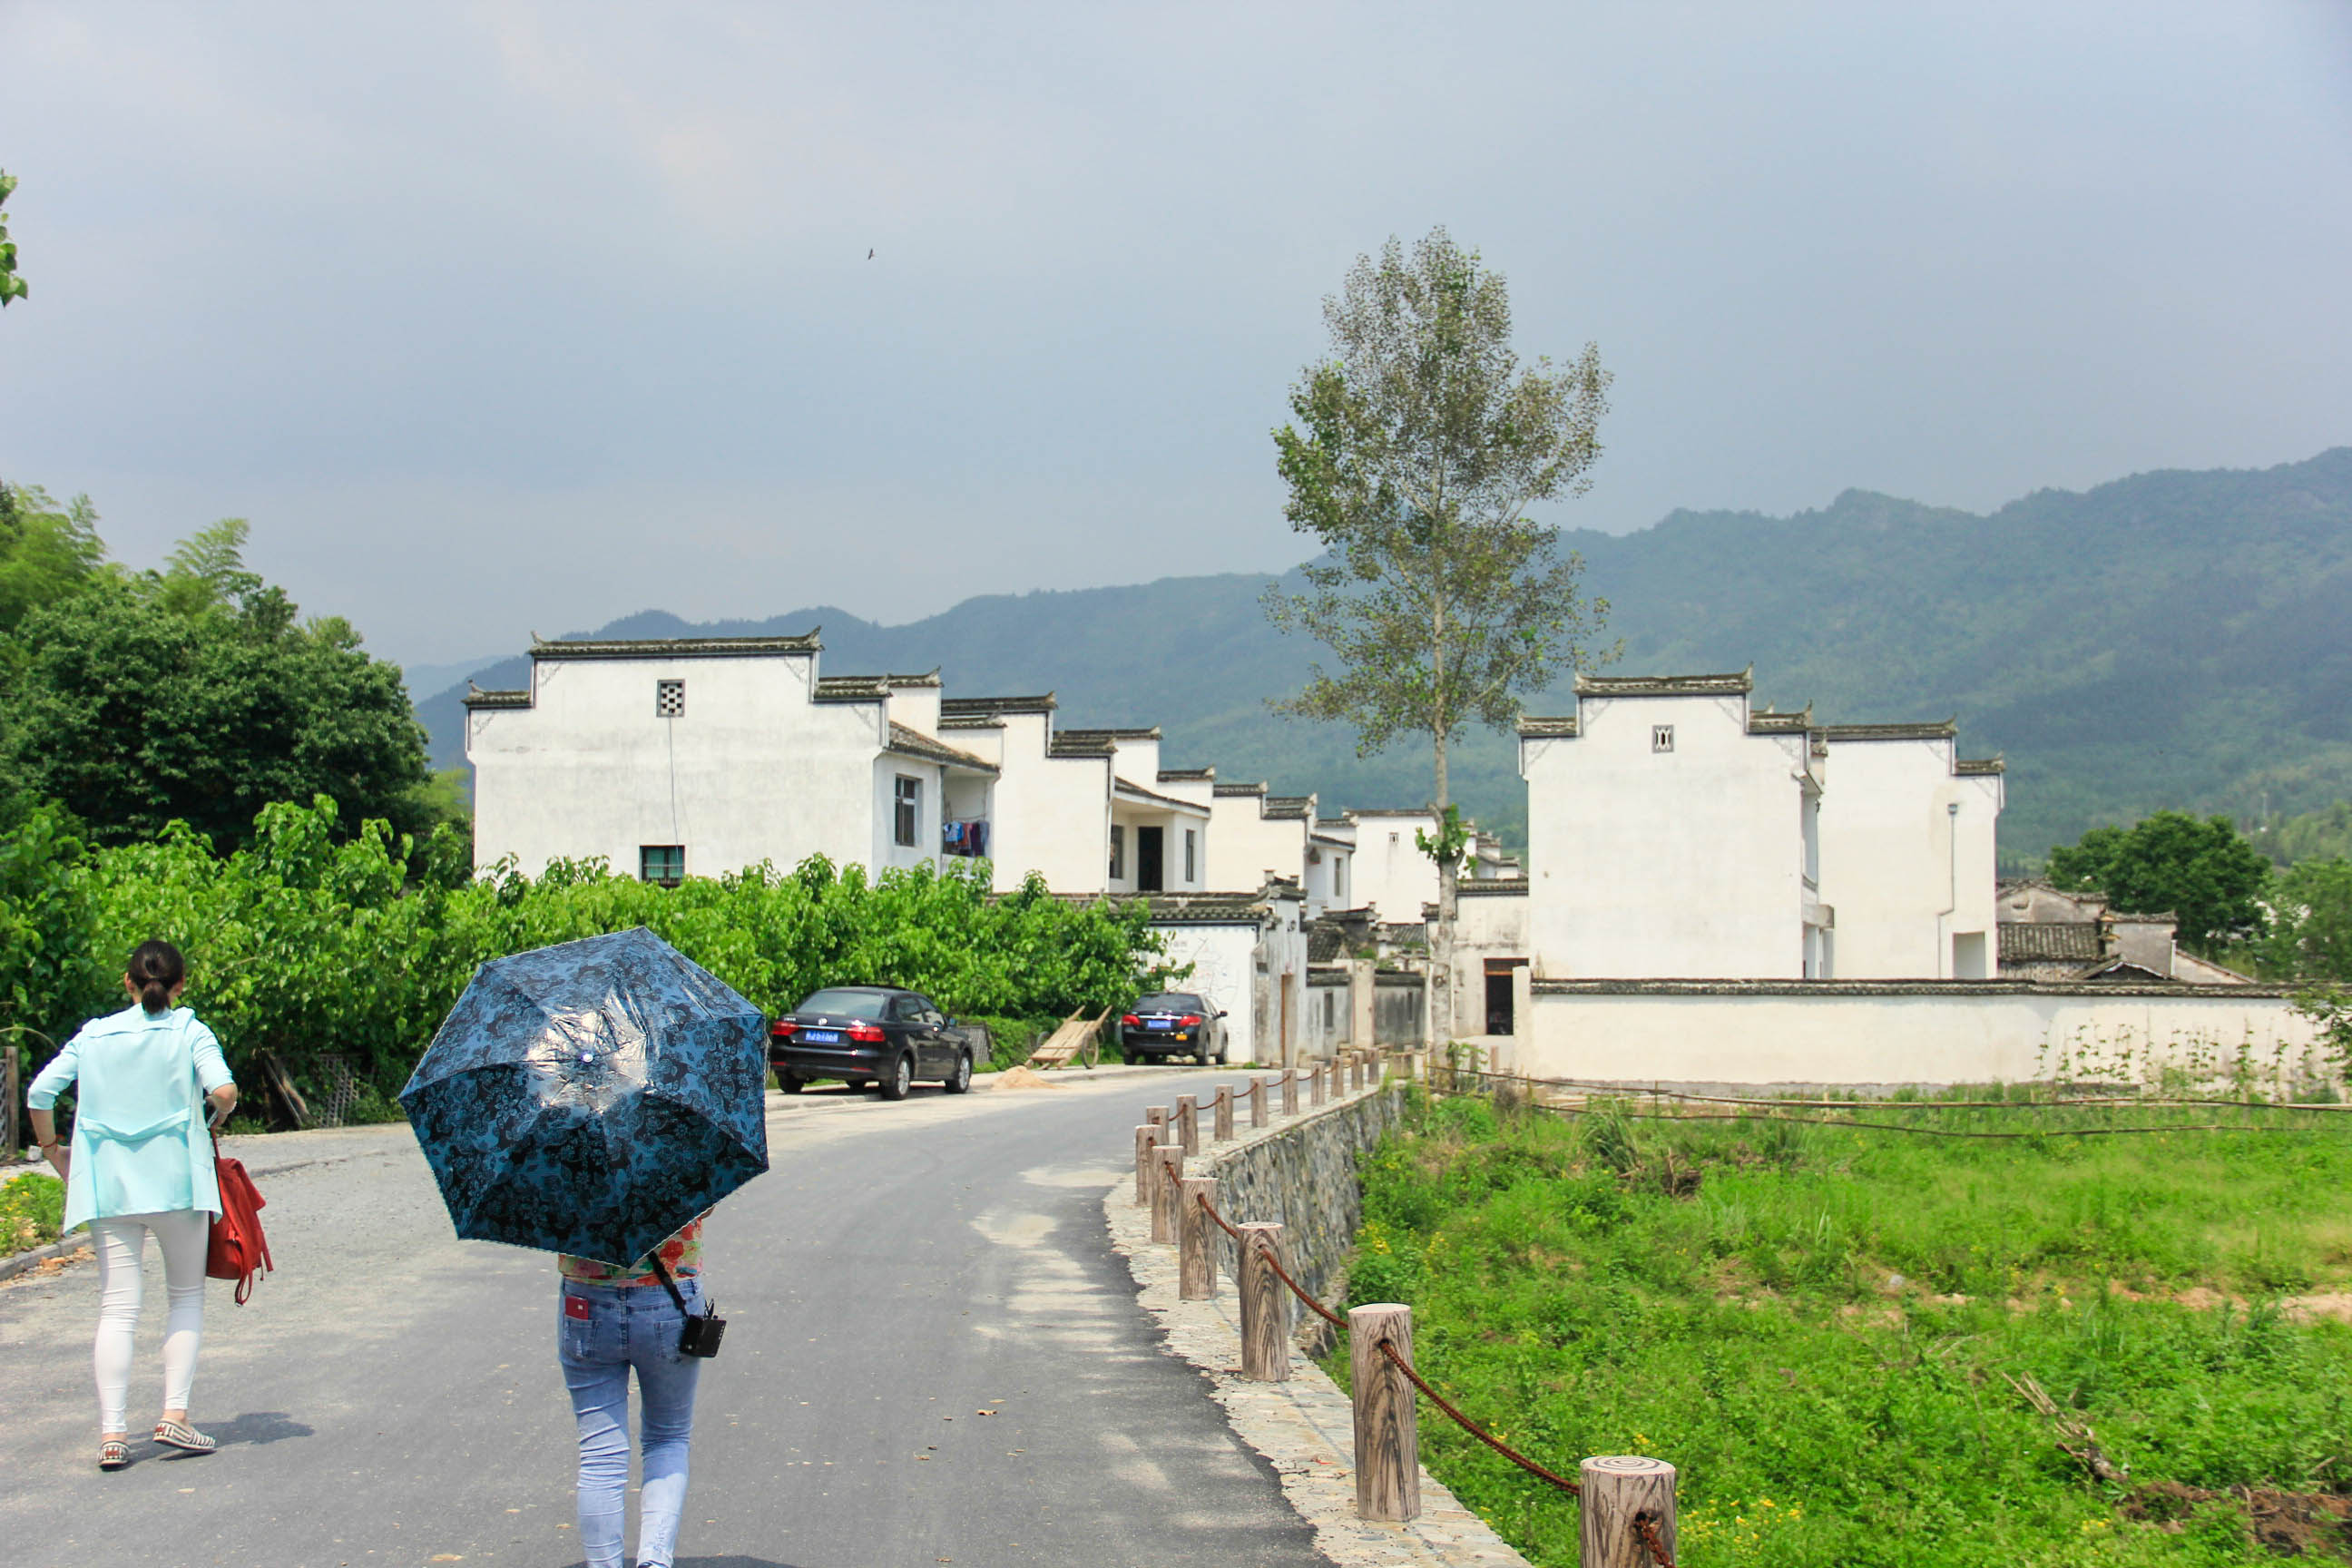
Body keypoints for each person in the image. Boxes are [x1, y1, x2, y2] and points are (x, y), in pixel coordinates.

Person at [25, 939, 240, 1472]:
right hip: (177, 1186)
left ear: (128, 983)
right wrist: (210, 1122)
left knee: (117, 1306)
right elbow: (226, 1091)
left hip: (109, 1187)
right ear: (181, 984)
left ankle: (113, 1435)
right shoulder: (191, 1030)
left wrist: (54, 1150)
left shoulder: (94, 1035)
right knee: (185, 1296)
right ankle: (174, 1415)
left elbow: (39, 1094)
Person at [556, 1214, 707, 1568]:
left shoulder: (561, 1158)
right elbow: (705, 1205)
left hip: (586, 1299)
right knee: (667, 1437)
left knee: (599, 1452)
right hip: (670, 1294)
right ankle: (654, 1561)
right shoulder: (677, 1154)